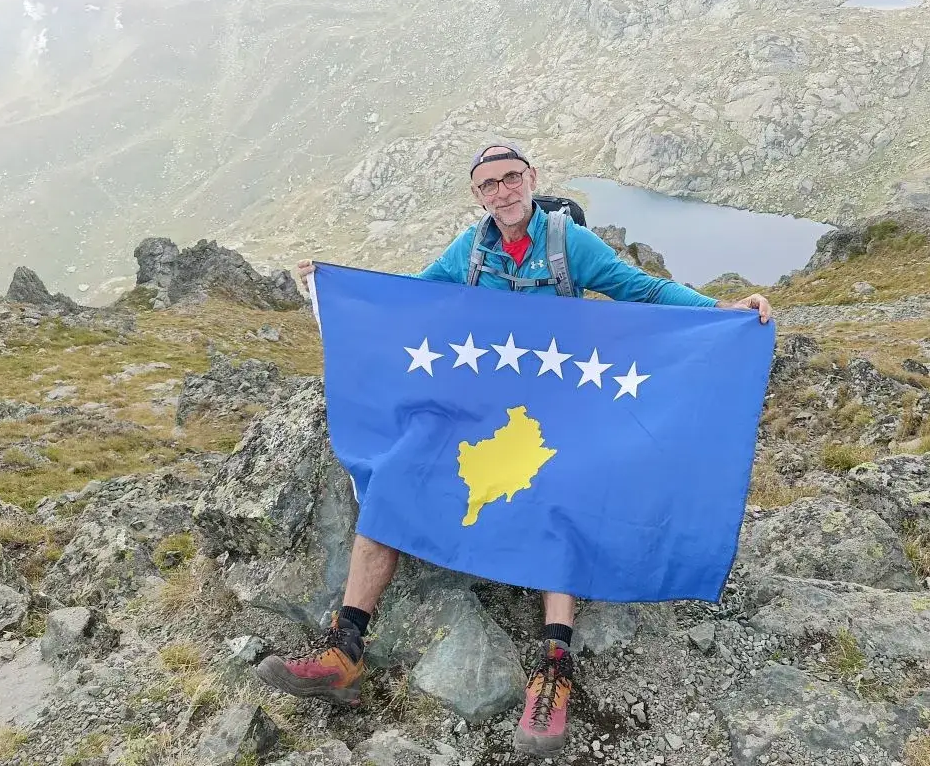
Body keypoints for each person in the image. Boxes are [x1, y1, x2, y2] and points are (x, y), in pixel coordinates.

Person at [256, 143, 772, 756]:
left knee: (562, 493)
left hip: (556, 409)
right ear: (478, 195)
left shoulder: (567, 244)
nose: (501, 191)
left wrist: (720, 311)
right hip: (482, 404)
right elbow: (409, 301)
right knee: (397, 477)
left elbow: (640, 288)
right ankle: (346, 648)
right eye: (488, 185)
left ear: (531, 179)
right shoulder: (470, 250)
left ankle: (554, 666)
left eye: (510, 179)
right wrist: (337, 291)